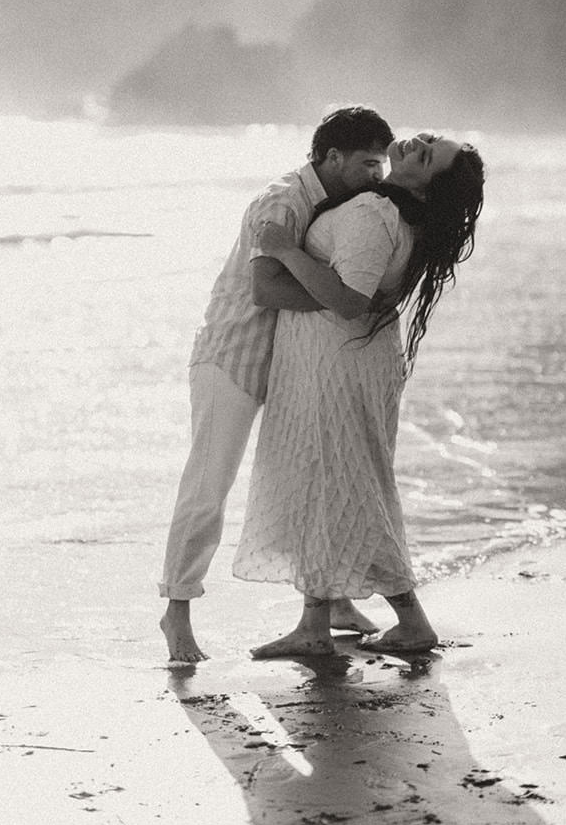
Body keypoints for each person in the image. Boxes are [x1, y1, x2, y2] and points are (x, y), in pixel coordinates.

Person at [232, 132, 485, 658]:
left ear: (428, 184)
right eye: (430, 139)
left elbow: (349, 300)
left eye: (428, 155)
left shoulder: (374, 213)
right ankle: (315, 624)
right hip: (339, 359)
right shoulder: (393, 213)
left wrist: (283, 250)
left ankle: (404, 621)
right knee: (331, 479)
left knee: (341, 478)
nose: (419, 143)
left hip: (335, 359)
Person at [159, 106, 396, 664]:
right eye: (367, 163)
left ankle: (331, 603)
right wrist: (350, 301)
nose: (377, 175)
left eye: (382, 164)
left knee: (317, 477)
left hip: (290, 365)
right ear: (331, 157)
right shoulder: (283, 201)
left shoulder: (338, 203)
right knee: (207, 489)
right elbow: (266, 289)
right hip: (234, 357)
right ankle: (176, 613)